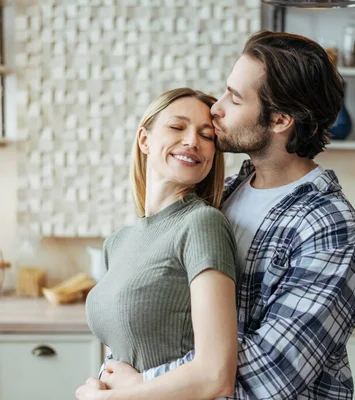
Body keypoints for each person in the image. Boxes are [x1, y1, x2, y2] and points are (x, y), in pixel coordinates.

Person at [77, 30, 355, 400]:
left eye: (234, 98)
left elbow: (273, 374)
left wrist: (142, 384)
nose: (216, 107)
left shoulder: (328, 227)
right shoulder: (223, 193)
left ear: (280, 120)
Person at [79, 88, 240, 400]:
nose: (192, 141)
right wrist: (98, 384)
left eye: (206, 135)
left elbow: (216, 376)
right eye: (177, 127)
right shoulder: (118, 242)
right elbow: (125, 353)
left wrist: (109, 398)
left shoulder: (202, 224)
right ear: (144, 140)